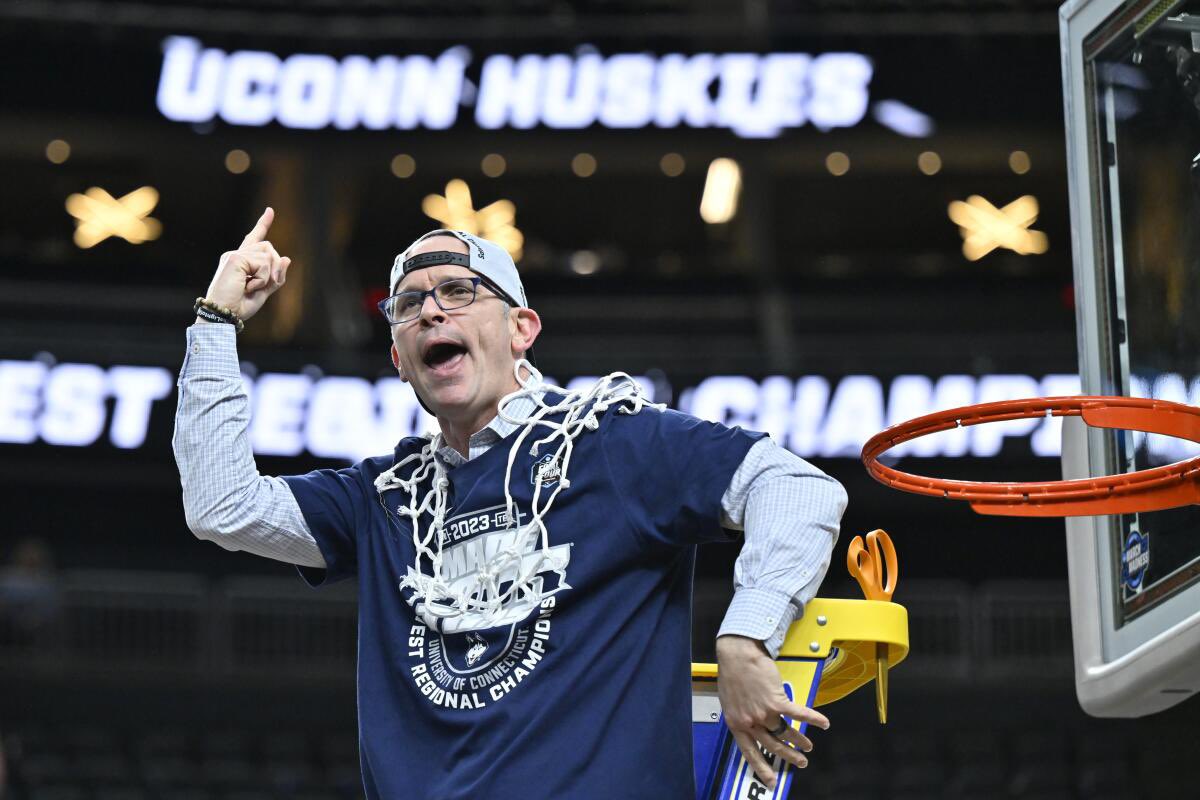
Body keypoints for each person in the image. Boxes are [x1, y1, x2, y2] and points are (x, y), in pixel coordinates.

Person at [174, 208, 848, 799]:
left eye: (458, 292)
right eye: (408, 305)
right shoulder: (382, 500)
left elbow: (795, 488)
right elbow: (222, 507)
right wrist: (216, 322)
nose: (431, 310)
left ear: (523, 328)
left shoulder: (611, 442)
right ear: (399, 359)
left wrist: (745, 636)